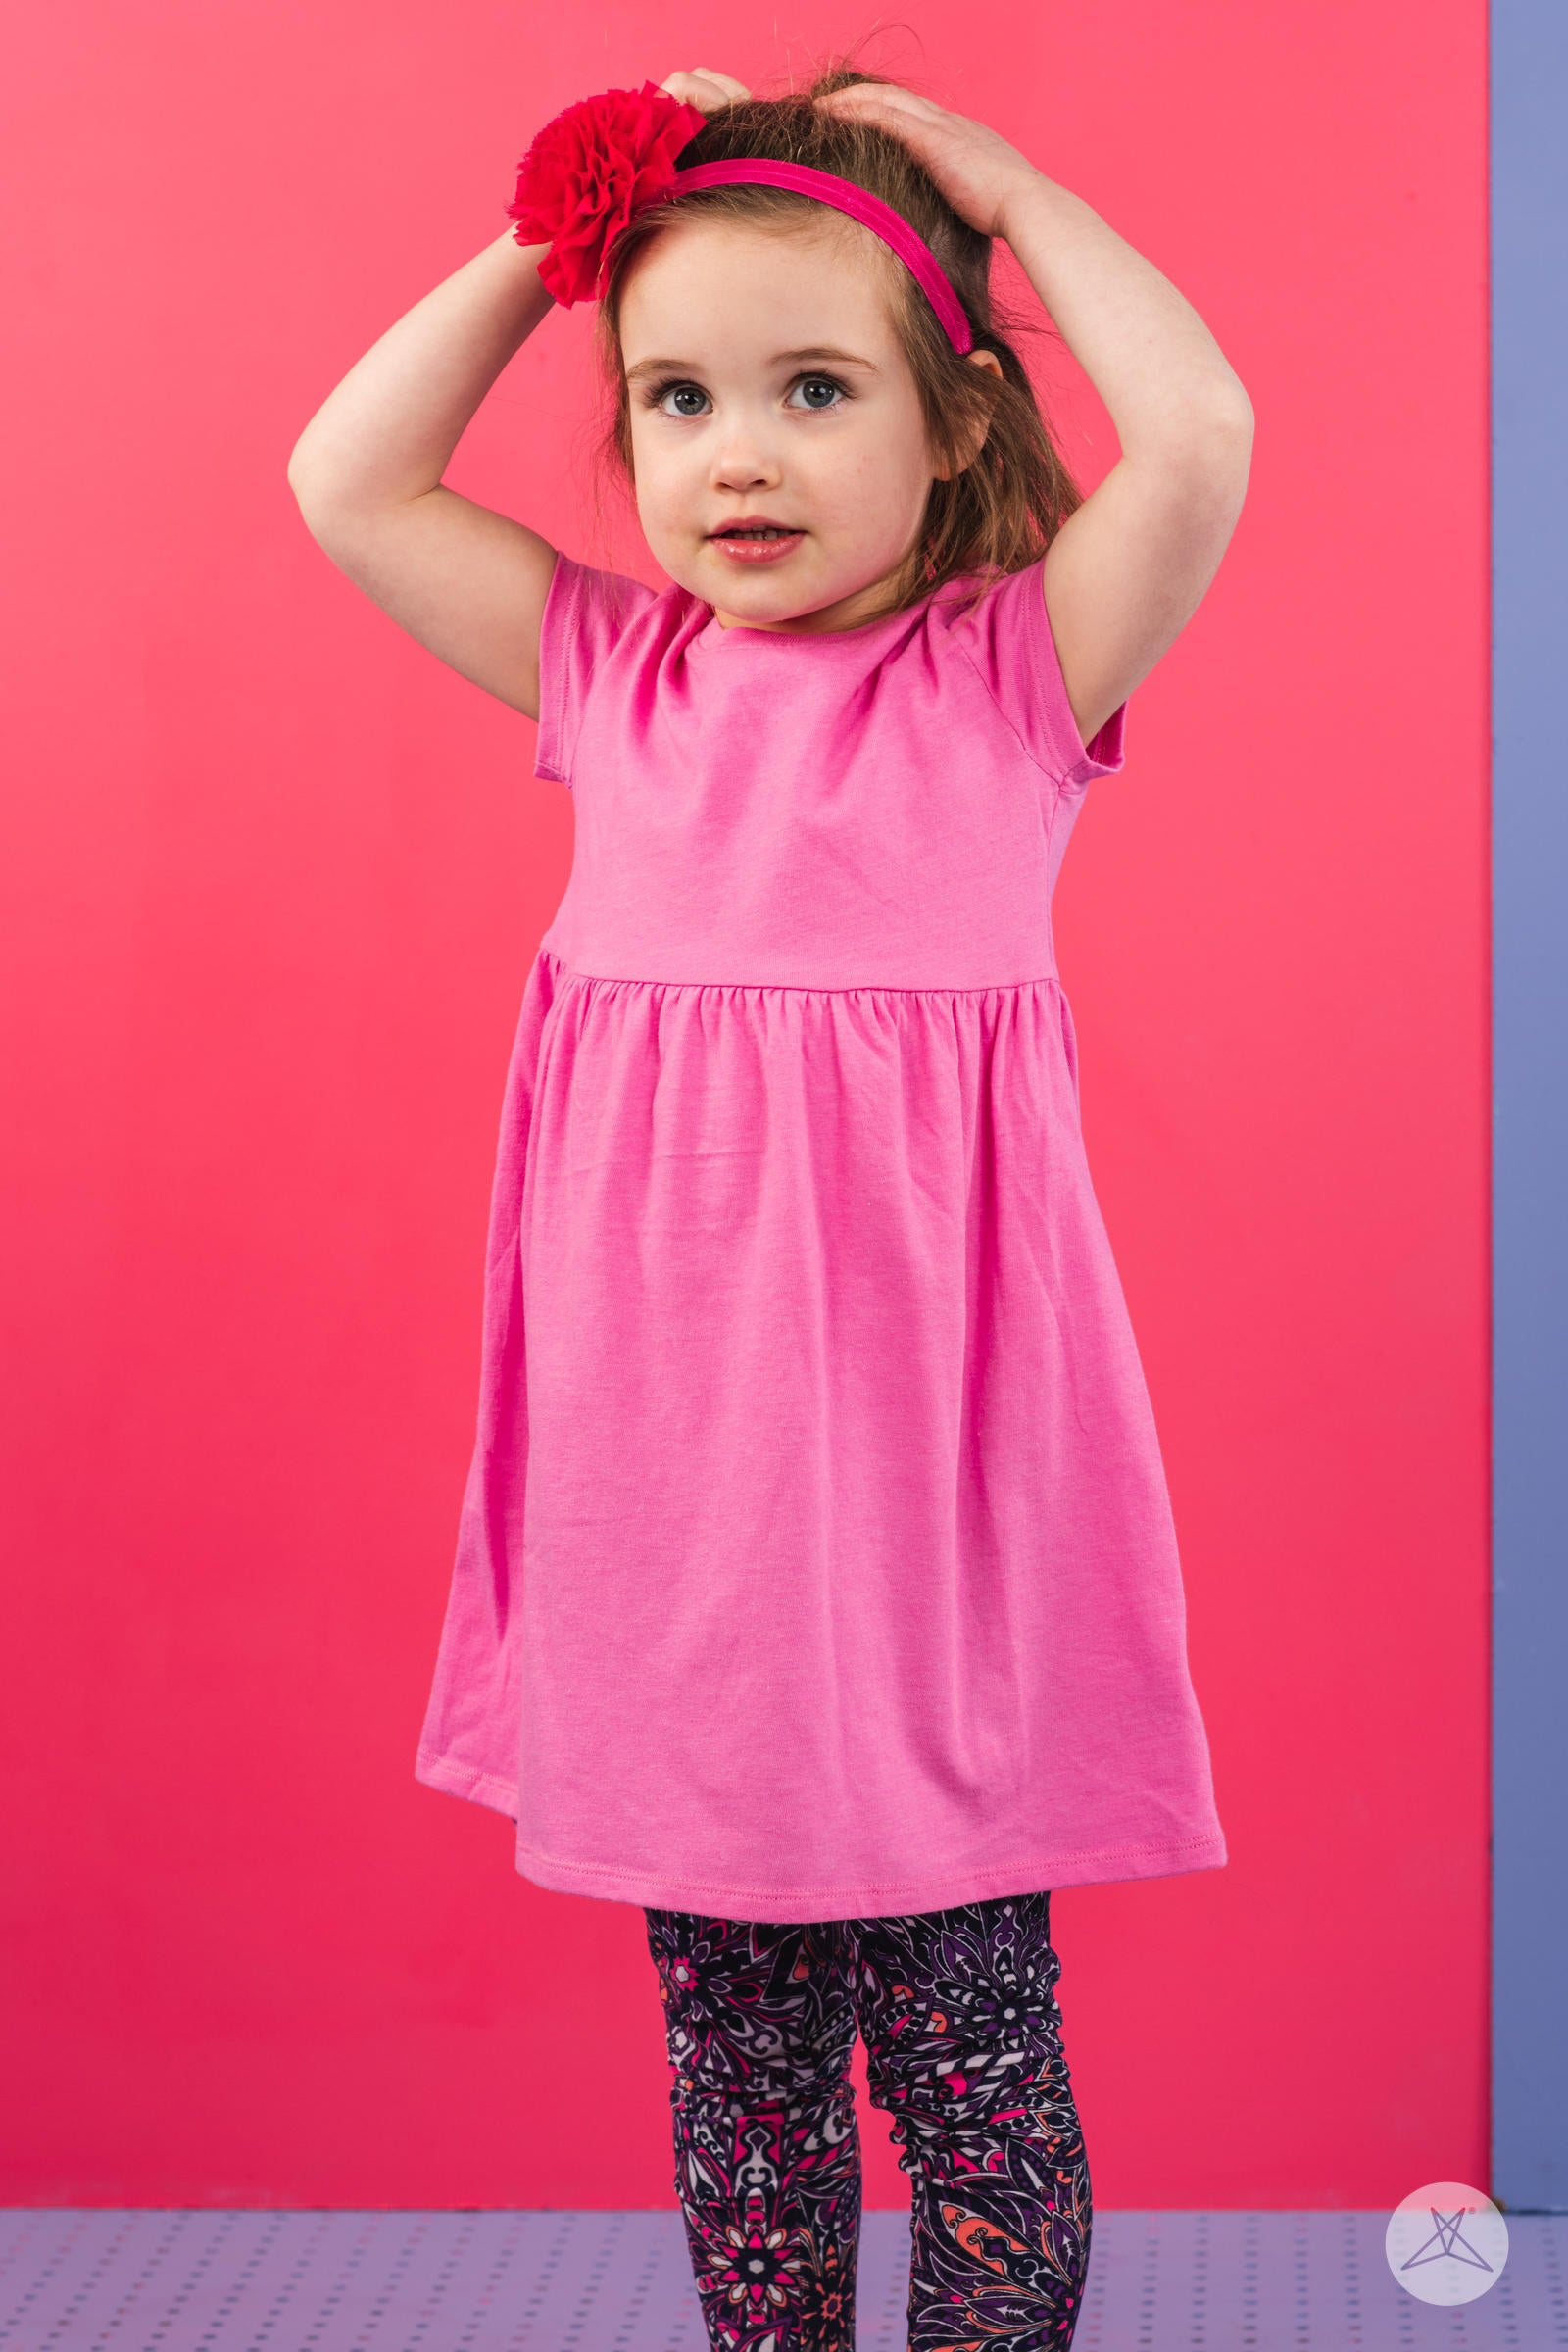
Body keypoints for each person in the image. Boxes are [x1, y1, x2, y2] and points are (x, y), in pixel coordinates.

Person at [287, 59, 1250, 2351]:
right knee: (740, 2089)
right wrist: (562, 243)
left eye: (811, 390)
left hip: (919, 1513)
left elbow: (1193, 433)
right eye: (672, 394)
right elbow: (345, 478)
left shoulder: (1009, 680)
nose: (730, 452)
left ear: (954, 419)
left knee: (971, 2064)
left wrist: (999, 185)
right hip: (674, 1519)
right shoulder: (615, 681)